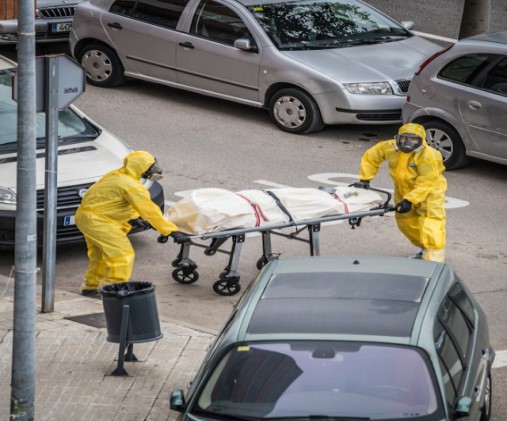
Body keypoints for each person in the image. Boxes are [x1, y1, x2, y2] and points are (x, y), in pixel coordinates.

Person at [75, 151, 188, 295]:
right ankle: (115, 290)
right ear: (140, 167)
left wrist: (135, 217)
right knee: (121, 255)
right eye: (150, 167)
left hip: (87, 218)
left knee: (100, 255)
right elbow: (149, 210)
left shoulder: (117, 175)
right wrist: (171, 231)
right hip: (100, 222)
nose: (154, 170)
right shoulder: (131, 186)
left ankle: (90, 287)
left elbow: (114, 201)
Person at [354, 123, 447, 262]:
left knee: (431, 223)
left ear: (421, 140)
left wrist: (410, 200)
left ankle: (434, 260)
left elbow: (428, 181)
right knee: (406, 221)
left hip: (429, 193)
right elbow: (372, 157)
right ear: (397, 138)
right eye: (404, 139)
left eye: (413, 140)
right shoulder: (389, 147)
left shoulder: (429, 155)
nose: (407, 143)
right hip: (403, 191)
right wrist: (365, 179)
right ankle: (424, 248)